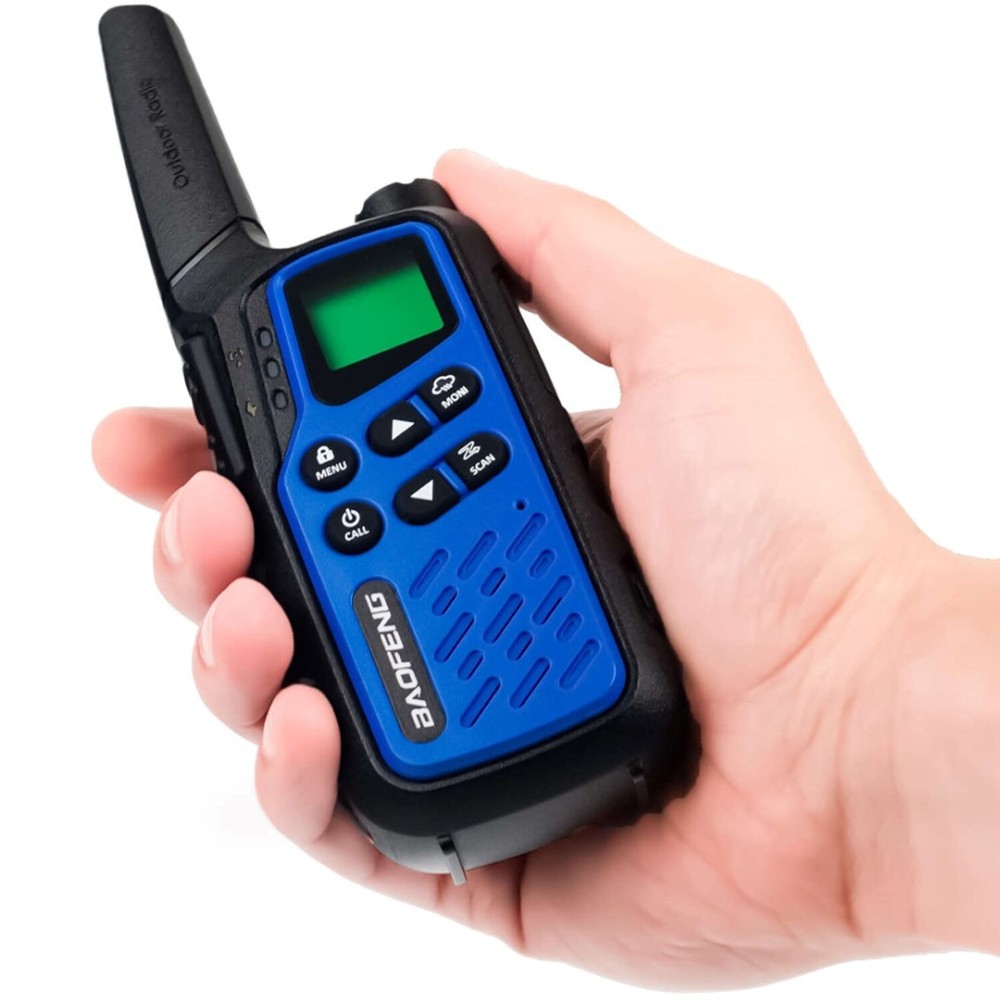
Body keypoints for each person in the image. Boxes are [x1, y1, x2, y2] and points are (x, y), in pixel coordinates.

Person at [91, 150, 1000, 991]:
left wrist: (845, 671)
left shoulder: (410, 253)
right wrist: (863, 703)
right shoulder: (406, 256)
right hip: (581, 744)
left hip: (590, 739)